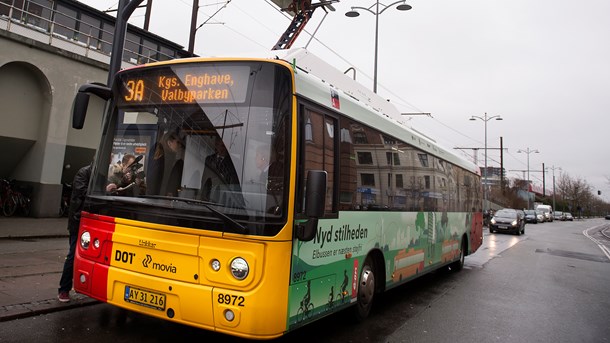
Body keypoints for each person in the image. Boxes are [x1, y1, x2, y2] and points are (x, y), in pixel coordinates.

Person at [58, 162, 92, 302]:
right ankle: (63, 289)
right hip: (78, 221)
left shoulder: (101, 175)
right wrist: (104, 190)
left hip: (90, 221)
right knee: (73, 254)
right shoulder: (83, 172)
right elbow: (80, 193)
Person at [147, 131, 185, 196]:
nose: (180, 146)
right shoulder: (165, 158)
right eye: (178, 142)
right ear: (169, 143)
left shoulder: (159, 154)